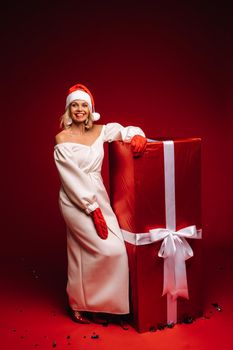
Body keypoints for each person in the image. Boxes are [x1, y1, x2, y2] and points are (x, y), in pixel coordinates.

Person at [54, 83, 147, 325]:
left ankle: (102, 305)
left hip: (99, 196)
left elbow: (122, 130)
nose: (79, 109)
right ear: (68, 110)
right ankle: (79, 304)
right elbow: (70, 178)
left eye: (84, 104)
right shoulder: (62, 138)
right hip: (76, 199)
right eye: (74, 105)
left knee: (114, 250)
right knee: (104, 250)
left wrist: (137, 135)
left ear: (91, 109)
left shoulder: (100, 131)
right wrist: (90, 207)